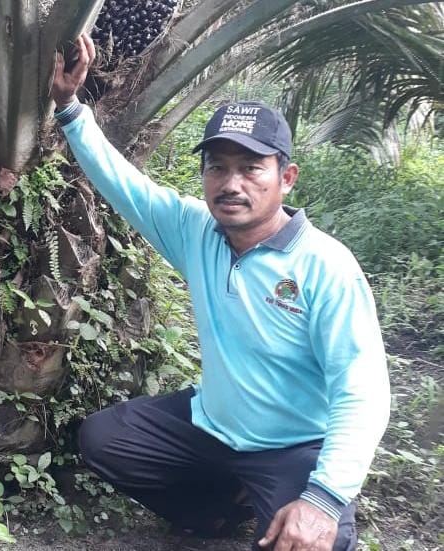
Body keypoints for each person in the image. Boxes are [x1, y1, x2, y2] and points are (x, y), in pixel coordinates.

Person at [50, 34, 390, 551]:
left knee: (317, 542)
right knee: (104, 440)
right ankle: (216, 514)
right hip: (212, 427)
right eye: (218, 167)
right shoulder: (196, 231)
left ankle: (290, 502)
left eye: (252, 167)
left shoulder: (326, 266)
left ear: (286, 177)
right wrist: (70, 107)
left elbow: (362, 391)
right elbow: (124, 185)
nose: (232, 183)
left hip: (292, 445)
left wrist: (323, 499)